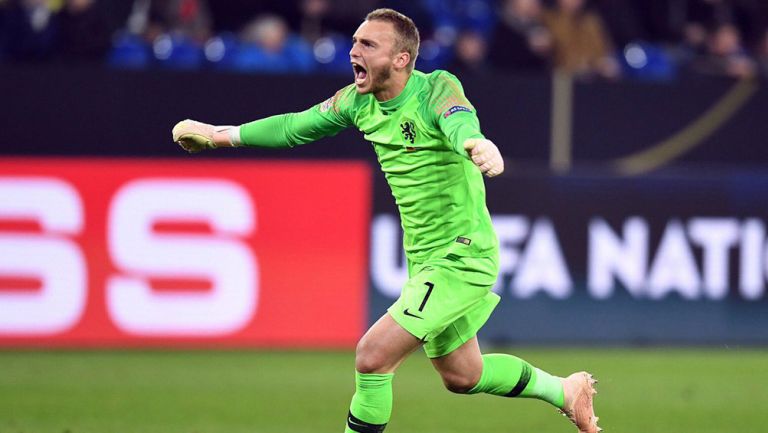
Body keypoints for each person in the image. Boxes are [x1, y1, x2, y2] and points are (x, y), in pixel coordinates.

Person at [171, 8, 600, 433]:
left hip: (462, 255)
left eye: (368, 44)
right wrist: (218, 134)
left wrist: (476, 142)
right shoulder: (358, 102)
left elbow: (459, 120)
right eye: (356, 42)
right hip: (425, 257)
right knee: (462, 375)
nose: (353, 51)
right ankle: (565, 390)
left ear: (401, 59)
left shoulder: (436, 87)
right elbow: (294, 126)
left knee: (372, 356)